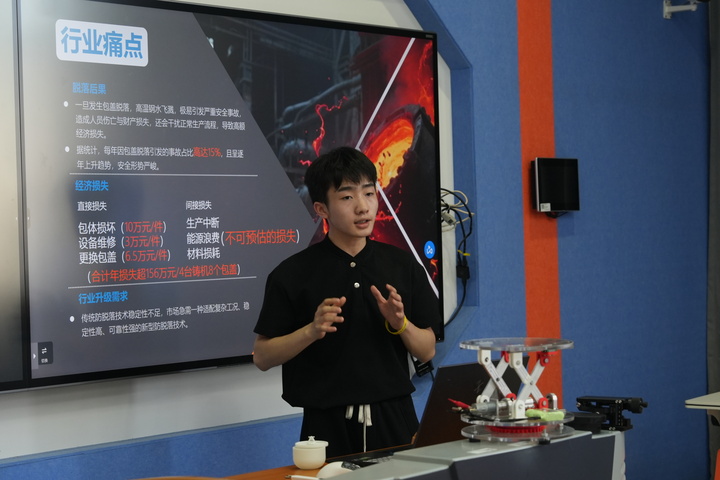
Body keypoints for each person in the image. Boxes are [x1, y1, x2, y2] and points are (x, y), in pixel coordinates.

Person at [252, 146, 439, 458]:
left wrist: (401, 324)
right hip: (325, 426)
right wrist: (311, 331)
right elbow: (262, 356)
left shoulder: (403, 265)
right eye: (347, 197)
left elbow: (427, 350)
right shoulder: (292, 274)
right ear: (321, 208)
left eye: (369, 193)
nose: (363, 207)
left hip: (395, 418)